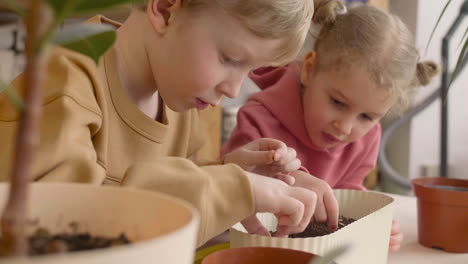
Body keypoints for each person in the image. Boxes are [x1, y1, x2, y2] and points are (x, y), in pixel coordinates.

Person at [0, 0, 318, 246]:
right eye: (229, 59)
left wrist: (228, 172)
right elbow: (63, 231)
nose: (233, 90)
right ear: (166, 9)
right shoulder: (62, 85)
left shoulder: (181, 100)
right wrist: (228, 190)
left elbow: (172, 203)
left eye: (250, 71)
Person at [221, 1, 439, 251]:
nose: (345, 127)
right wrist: (291, 179)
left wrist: (370, 223)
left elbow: (347, 195)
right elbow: (231, 189)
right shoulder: (260, 117)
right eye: (337, 102)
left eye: (367, 117)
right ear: (310, 70)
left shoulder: (367, 139)